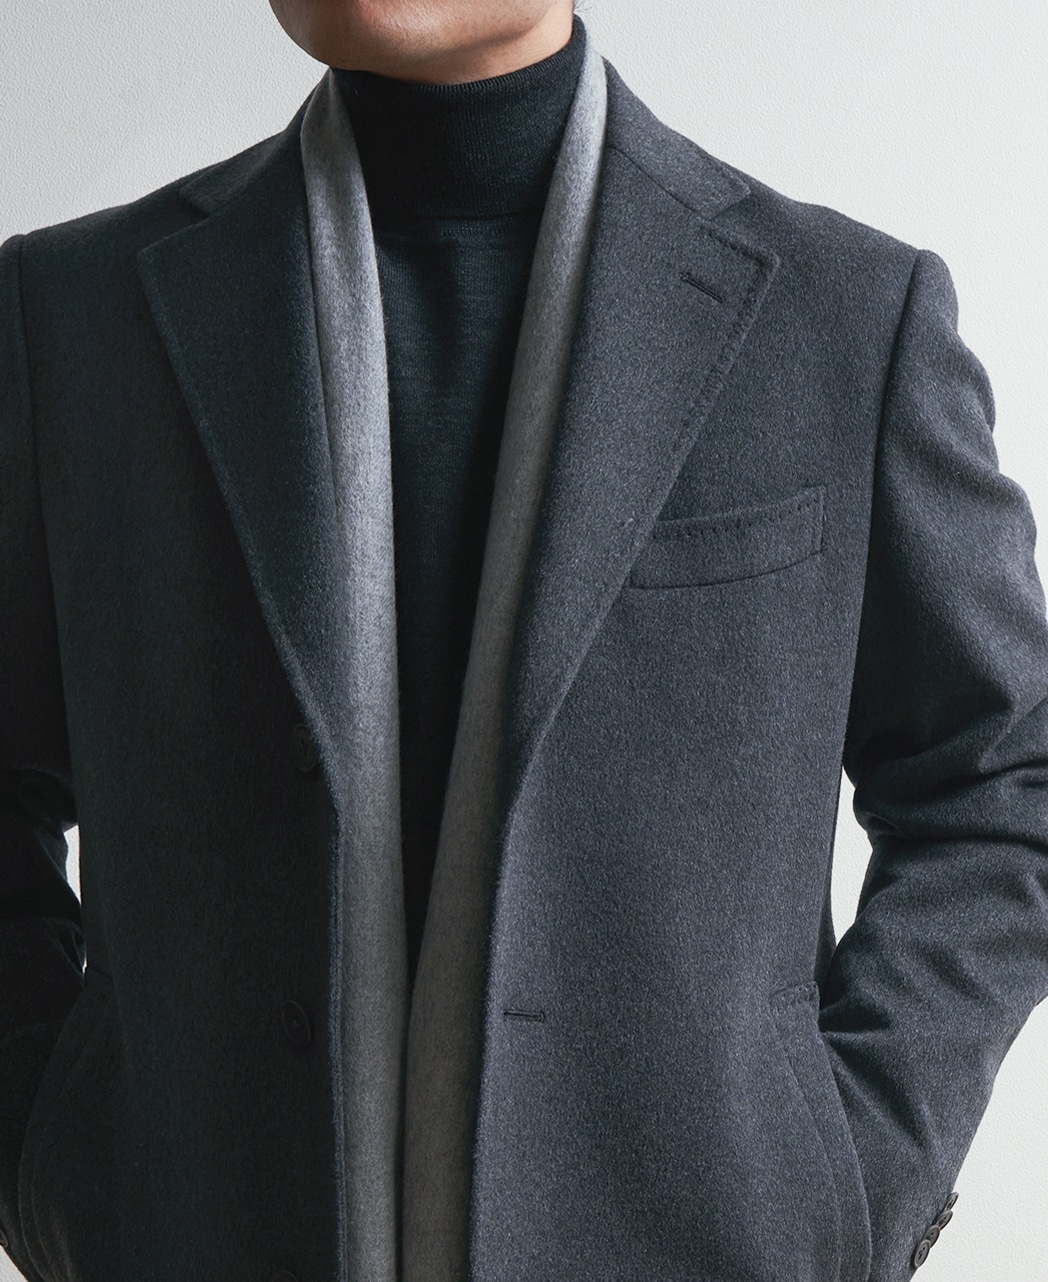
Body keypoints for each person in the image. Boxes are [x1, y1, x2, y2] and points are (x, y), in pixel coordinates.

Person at [2, 1, 1047, 1279]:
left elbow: (1004, 779)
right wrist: (47, 1152)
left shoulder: (842, 317)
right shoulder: (69, 316)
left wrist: (847, 1176)